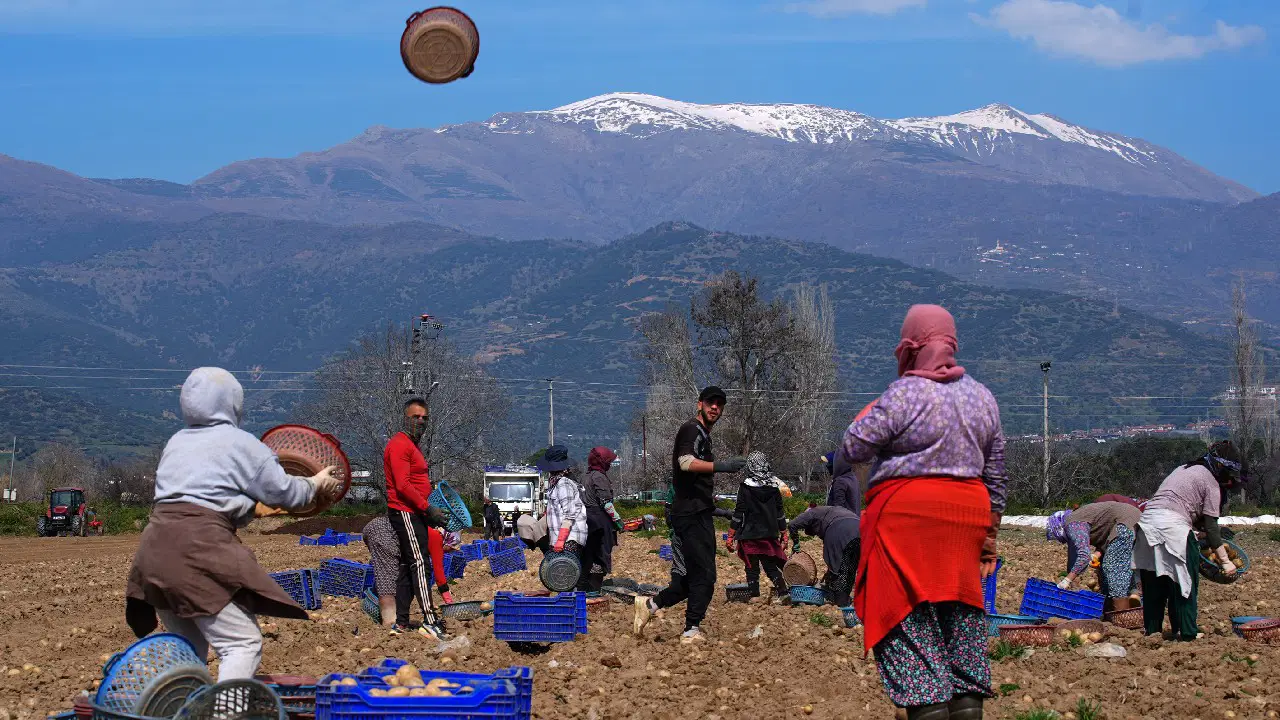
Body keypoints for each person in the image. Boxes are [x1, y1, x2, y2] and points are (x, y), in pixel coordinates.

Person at [842, 305, 1006, 720]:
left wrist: (868, 412)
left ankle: (927, 704)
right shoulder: (982, 396)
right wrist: (989, 535)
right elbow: (996, 473)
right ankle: (966, 702)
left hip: (908, 523)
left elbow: (854, 448)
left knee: (910, 621)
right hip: (966, 521)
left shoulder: (906, 394)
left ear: (911, 346)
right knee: (960, 619)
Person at [125, 368, 344, 680]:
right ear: (233, 404)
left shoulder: (176, 442)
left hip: (154, 552)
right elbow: (289, 494)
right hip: (196, 549)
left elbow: (202, 496)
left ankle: (177, 709)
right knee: (242, 643)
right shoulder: (241, 443)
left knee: (189, 648)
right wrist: (315, 483)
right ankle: (224, 714)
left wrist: (249, 508)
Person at [633, 385, 746, 643]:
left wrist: (720, 511)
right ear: (700, 404)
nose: (715, 407)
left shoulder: (703, 434)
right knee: (706, 576)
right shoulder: (691, 429)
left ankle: (650, 606)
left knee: (693, 578)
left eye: (719, 403)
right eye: (710, 402)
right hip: (691, 517)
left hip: (695, 514)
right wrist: (723, 466)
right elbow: (685, 462)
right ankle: (690, 630)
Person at [1133, 441, 1242, 641]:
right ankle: (1187, 632)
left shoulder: (1183, 469)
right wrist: (1225, 561)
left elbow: (1185, 508)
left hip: (1146, 523)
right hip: (1172, 527)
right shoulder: (1211, 482)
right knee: (1185, 581)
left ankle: (1153, 631)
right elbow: (1211, 527)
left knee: (1155, 582)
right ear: (1220, 466)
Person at [384, 397, 452, 640]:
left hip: (415, 511)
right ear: (405, 418)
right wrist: (427, 508)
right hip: (406, 510)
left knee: (406, 566)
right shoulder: (400, 445)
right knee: (420, 563)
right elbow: (402, 485)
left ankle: (401, 622)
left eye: (425, 418)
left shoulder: (412, 446)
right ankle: (429, 619)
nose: (421, 421)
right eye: (416, 417)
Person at [363, 507, 452, 629]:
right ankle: (390, 622)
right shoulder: (436, 537)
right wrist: (449, 602)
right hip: (383, 532)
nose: (452, 551)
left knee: (405, 578)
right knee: (388, 579)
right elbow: (439, 573)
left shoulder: (424, 529)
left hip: (383, 528)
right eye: (452, 548)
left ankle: (399, 619)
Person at [726, 450, 790, 601]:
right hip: (769, 533)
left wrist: (730, 535)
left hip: (749, 533)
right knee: (769, 566)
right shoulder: (774, 487)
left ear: (750, 466)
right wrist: (784, 534)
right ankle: (783, 593)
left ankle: (754, 594)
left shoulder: (745, 487)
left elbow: (739, 512)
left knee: (751, 566)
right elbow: (780, 513)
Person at [1046, 501, 1141, 600]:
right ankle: (1131, 595)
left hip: (1125, 521)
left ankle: (1120, 607)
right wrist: (1095, 555)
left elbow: (1084, 556)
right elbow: (1105, 540)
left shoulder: (1072, 524)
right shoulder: (1077, 519)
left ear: (1058, 528)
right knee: (1112, 568)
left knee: (1113, 567)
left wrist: (1067, 581)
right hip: (1130, 518)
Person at [788, 504, 861, 607]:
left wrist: (796, 544)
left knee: (838, 571)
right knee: (850, 567)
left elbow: (792, 524)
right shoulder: (831, 510)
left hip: (839, 528)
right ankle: (845, 600)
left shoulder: (811, 512)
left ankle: (840, 602)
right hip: (861, 528)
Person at [581, 446, 625, 592]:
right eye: (608, 461)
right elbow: (606, 502)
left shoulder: (585, 476)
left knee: (589, 555)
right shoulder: (599, 477)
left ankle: (587, 588)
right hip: (599, 521)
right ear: (602, 461)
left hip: (586, 521)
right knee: (599, 555)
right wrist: (618, 520)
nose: (610, 464)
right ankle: (594, 590)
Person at [540, 445, 589, 562]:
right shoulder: (556, 483)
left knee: (565, 575)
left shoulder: (563, 484)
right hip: (562, 537)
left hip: (569, 538)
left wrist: (561, 539)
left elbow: (570, 512)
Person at [827, 449, 865, 514]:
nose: (828, 465)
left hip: (842, 522)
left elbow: (838, 510)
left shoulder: (840, 481)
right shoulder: (853, 478)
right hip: (854, 521)